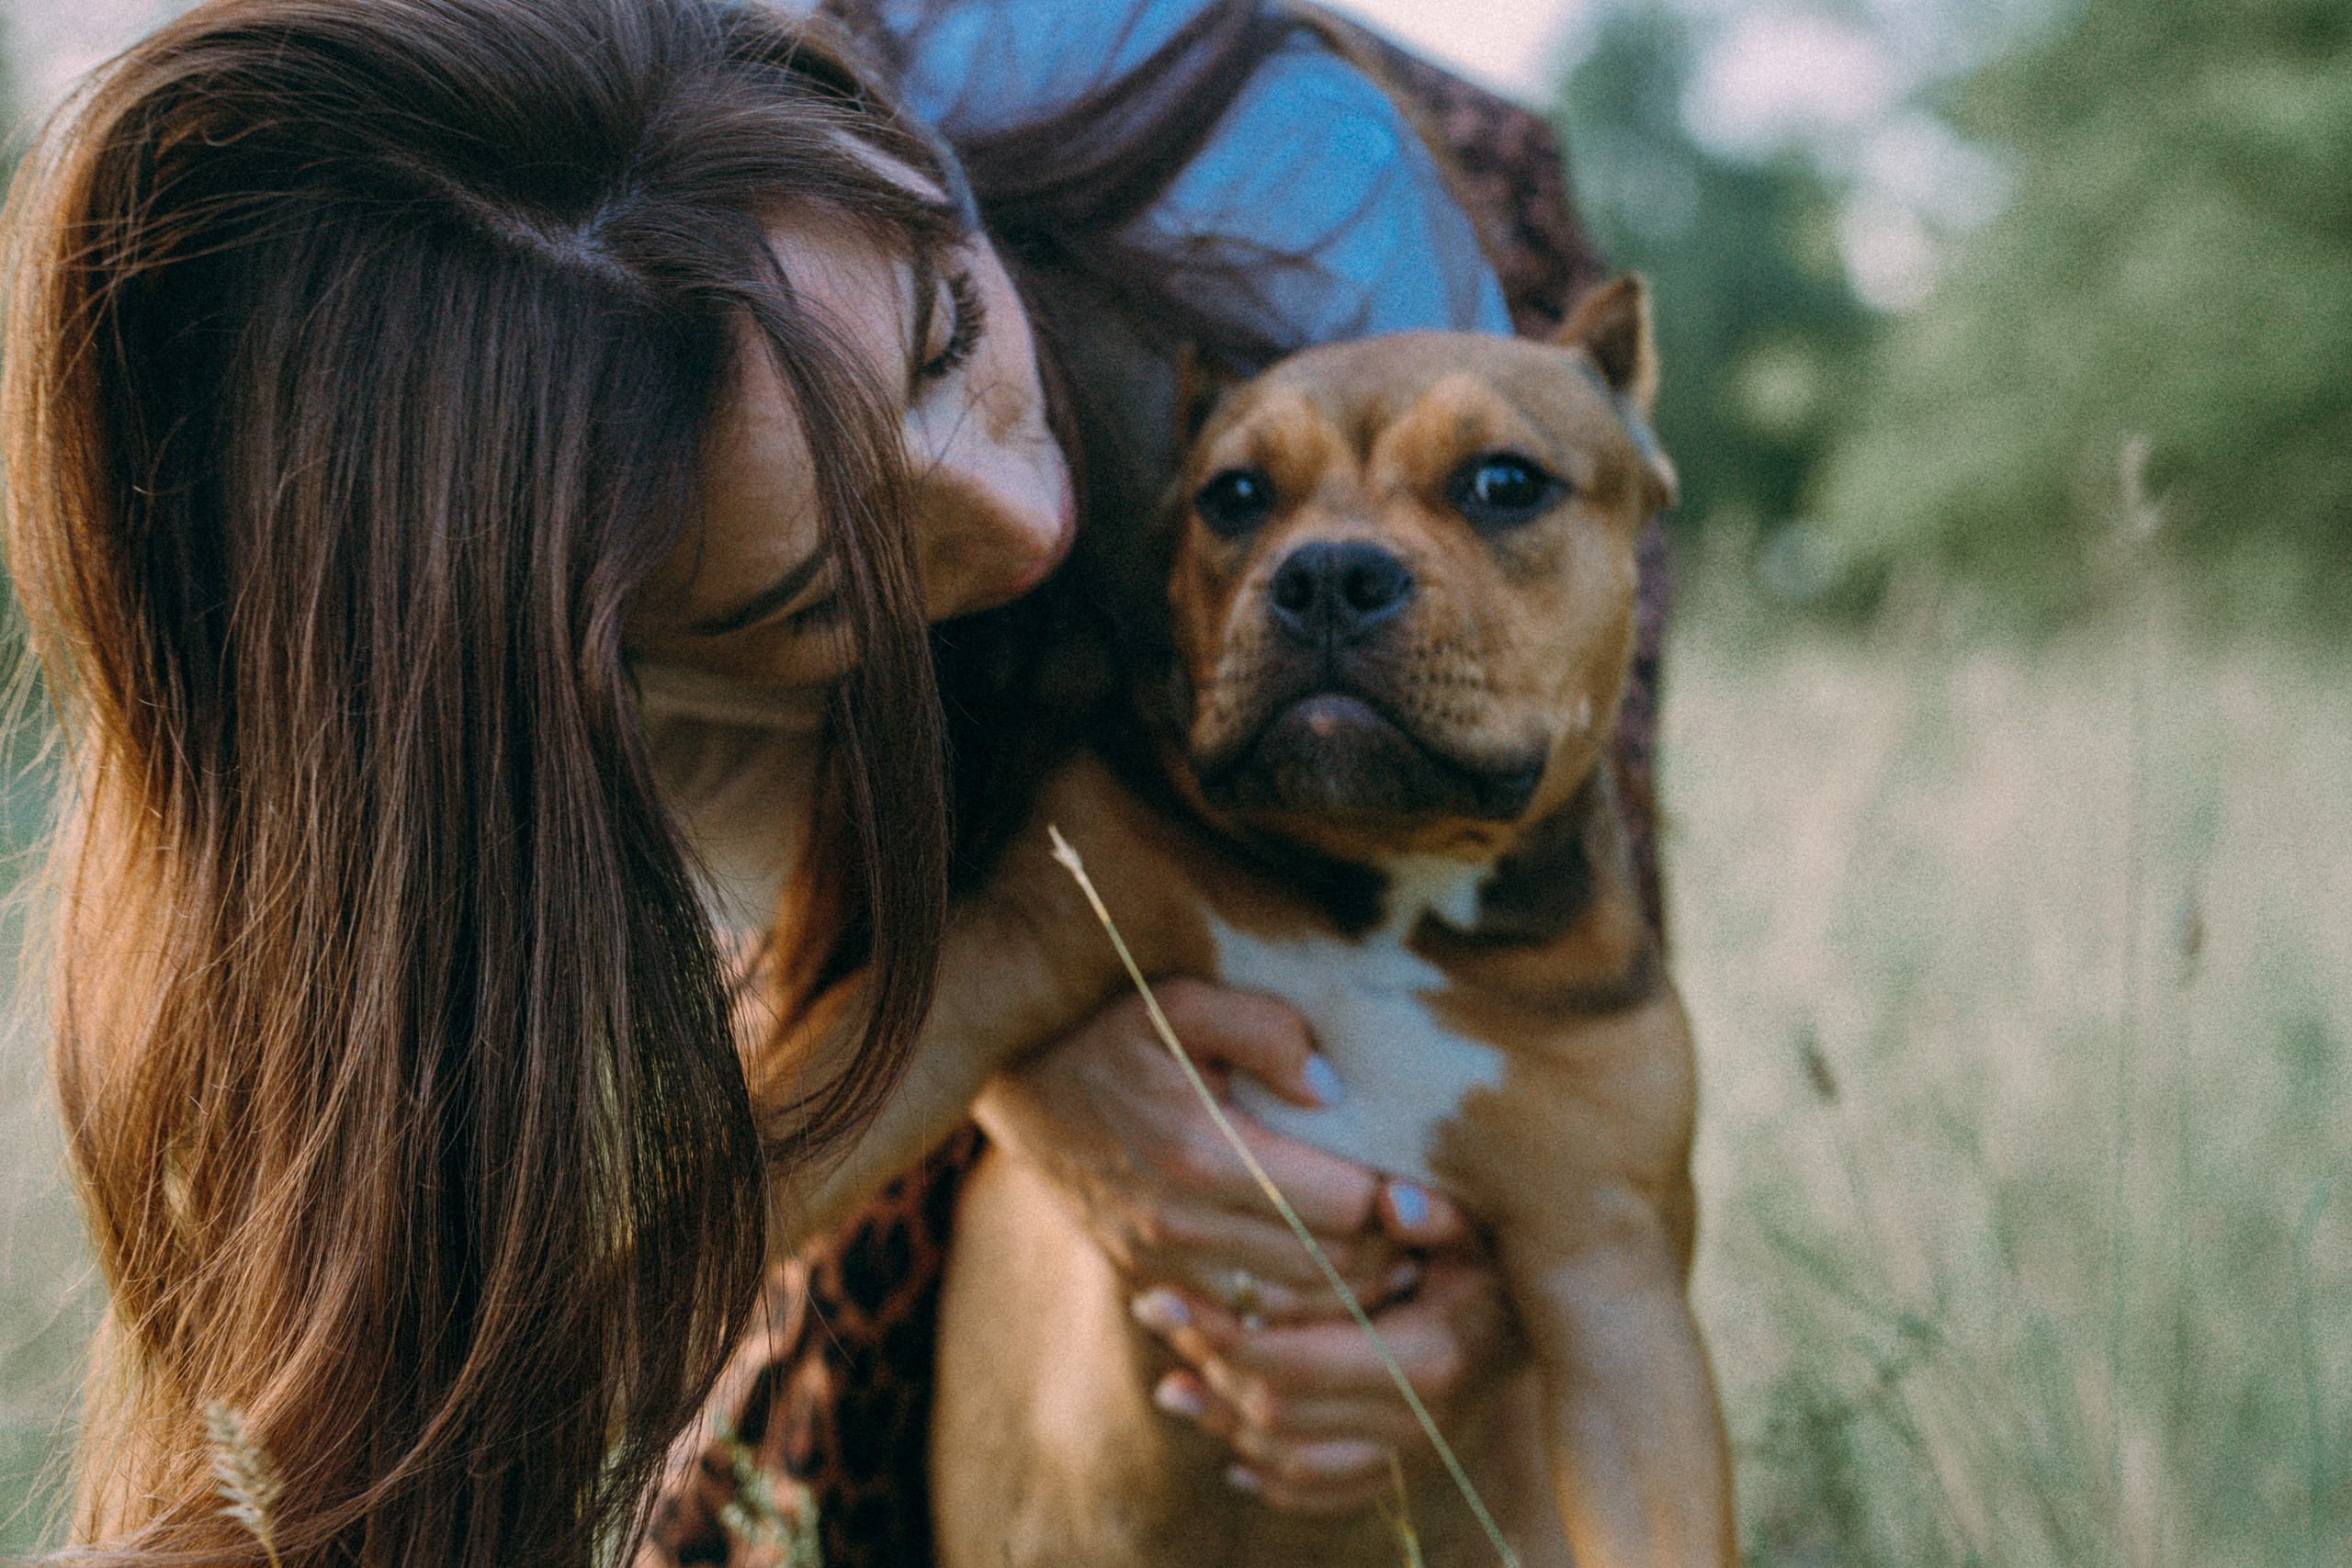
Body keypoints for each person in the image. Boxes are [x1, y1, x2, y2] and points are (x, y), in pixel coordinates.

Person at [2, 4, 1657, 1568]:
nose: (1020, 518)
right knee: (800, 1397)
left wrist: (1511, 1278)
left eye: (945, 335)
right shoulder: (532, 681)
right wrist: (1055, 1066)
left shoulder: (1318, 233)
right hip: (905, 738)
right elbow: (822, 1042)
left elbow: (1544, 1030)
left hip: (1276, 293)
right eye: (818, 595)